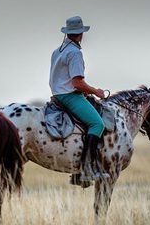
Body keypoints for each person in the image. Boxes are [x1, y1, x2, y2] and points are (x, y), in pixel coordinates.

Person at [50, 16, 109, 183]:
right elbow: (77, 83)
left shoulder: (58, 50)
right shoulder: (75, 53)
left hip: (57, 95)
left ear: (68, 33)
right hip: (69, 96)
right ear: (81, 34)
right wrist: (96, 91)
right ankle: (87, 169)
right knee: (97, 124)